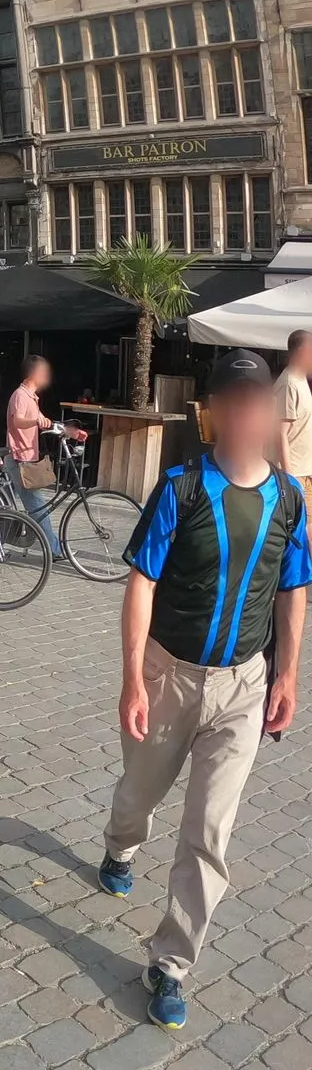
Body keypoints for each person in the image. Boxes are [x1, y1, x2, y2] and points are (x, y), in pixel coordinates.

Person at [103, 348, 308, 1030]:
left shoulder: (290, 499)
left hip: (243, 688)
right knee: (139, 795)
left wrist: (286, 674)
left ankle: (170, 962)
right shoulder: (182, 487)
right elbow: (142, 582)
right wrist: (133, 678)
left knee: (210, 831)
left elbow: (292, 588)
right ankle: (120, 845)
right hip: (171, 673)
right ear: (215, 413)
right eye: (235, 403)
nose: (249, 415)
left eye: (259, 403)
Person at [6, 355, 84, 554]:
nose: (47, 378)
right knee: (38, 508)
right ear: (34, 374)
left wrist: (72, 432)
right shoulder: (20, 396)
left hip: (28, 460)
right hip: (19, 460)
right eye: (44, 373)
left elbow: (48, 423)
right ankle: (55, 551)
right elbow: (17, 421)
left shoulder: (32, 398)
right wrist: (34, 422)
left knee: (33, 507)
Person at [277, 329, 312, 497]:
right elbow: (280, 433)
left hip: (304, 472)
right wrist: (290, 479)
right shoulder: (289, 384)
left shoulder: (301, 379)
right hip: (295, 476)